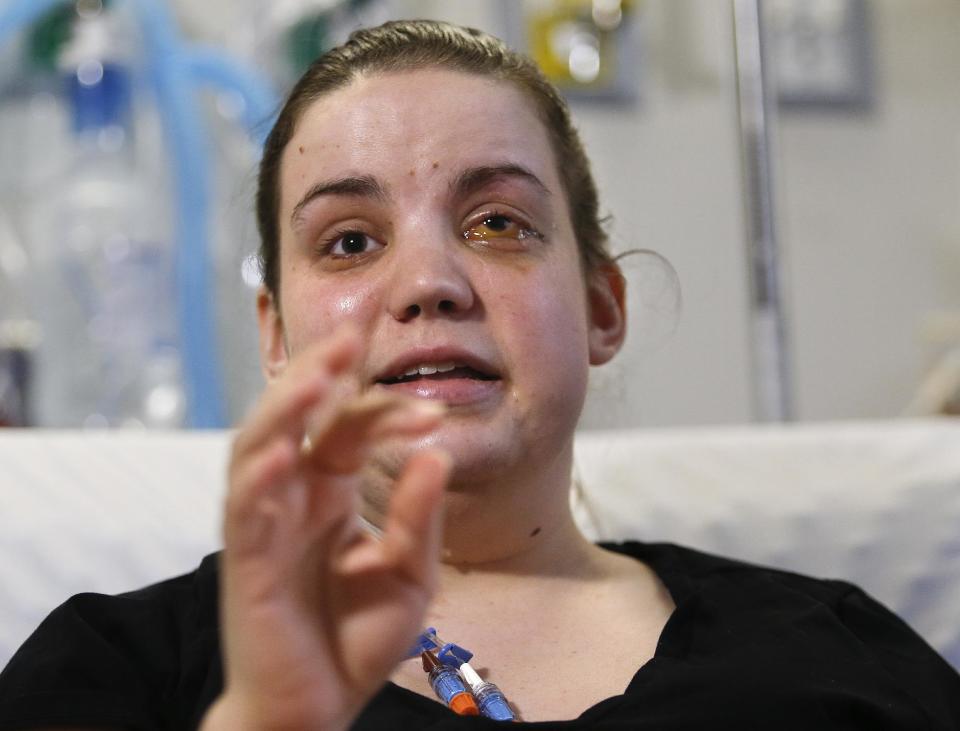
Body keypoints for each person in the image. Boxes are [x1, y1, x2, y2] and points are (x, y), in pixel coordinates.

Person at [1, 19, 959, 731]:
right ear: (277, 337)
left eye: (497, 223)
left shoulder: (840, 651)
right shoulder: (126, 671)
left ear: (601, 308)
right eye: (348, 240)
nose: (428, 282)